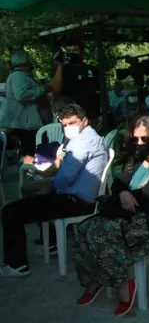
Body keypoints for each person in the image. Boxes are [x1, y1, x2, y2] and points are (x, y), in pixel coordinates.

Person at [73, 115, 149, 316]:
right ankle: (98, 278)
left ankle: (123, 286)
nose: (140, 143)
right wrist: (123, 192)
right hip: (129, 214)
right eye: (135, 139)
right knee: (84, 228)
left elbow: (147, 194)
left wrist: (124, 194)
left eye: (145, 139)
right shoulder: (136, 158)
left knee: (105, 233)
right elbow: (119, 182)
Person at [1, 105, 108, 277]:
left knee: (10, 211)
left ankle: (17, 265)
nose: (67, 128)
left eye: (71, 123)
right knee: (31, 191)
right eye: (64, 125)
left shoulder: (83, 142)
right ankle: (50, 242)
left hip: (75, 201)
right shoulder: (85, 137)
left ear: (84, 121)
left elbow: (65, 177)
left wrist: (49, 184)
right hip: (73, 195)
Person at [2, 50, 46, 156]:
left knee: (28, 149)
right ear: (25, 62)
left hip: (23, 121)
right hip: (24, 122)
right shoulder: (18, 75)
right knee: (30, 151)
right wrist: (41, 89)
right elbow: (21, 95)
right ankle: (29, 170)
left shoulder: (17, 75)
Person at [50, 43, 102, 123]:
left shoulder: (92, 69)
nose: (72, 53)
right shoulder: (61, 71)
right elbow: (56, 91)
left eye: (75, 50)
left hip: (91, 117)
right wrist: (59, 65)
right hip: (70, 119)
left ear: (81, 52)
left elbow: (102, 94)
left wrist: (102, 114)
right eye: (69, 51)